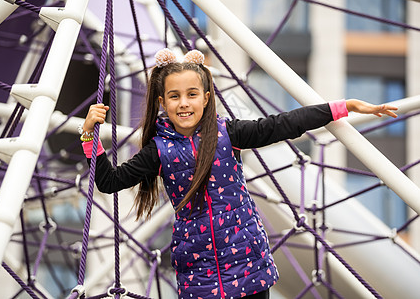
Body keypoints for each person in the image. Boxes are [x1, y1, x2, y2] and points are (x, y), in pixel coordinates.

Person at [79, 48, 398, 299]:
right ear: (162, 102)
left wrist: (341, 107)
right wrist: (89, 135)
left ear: (206, 98)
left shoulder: (228, 133)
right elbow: (109, 181)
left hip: (249, 262)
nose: (184, 103)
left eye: (192, 94)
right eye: (175, 97)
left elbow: (283, 124)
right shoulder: (157, 150)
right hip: (199, 271)